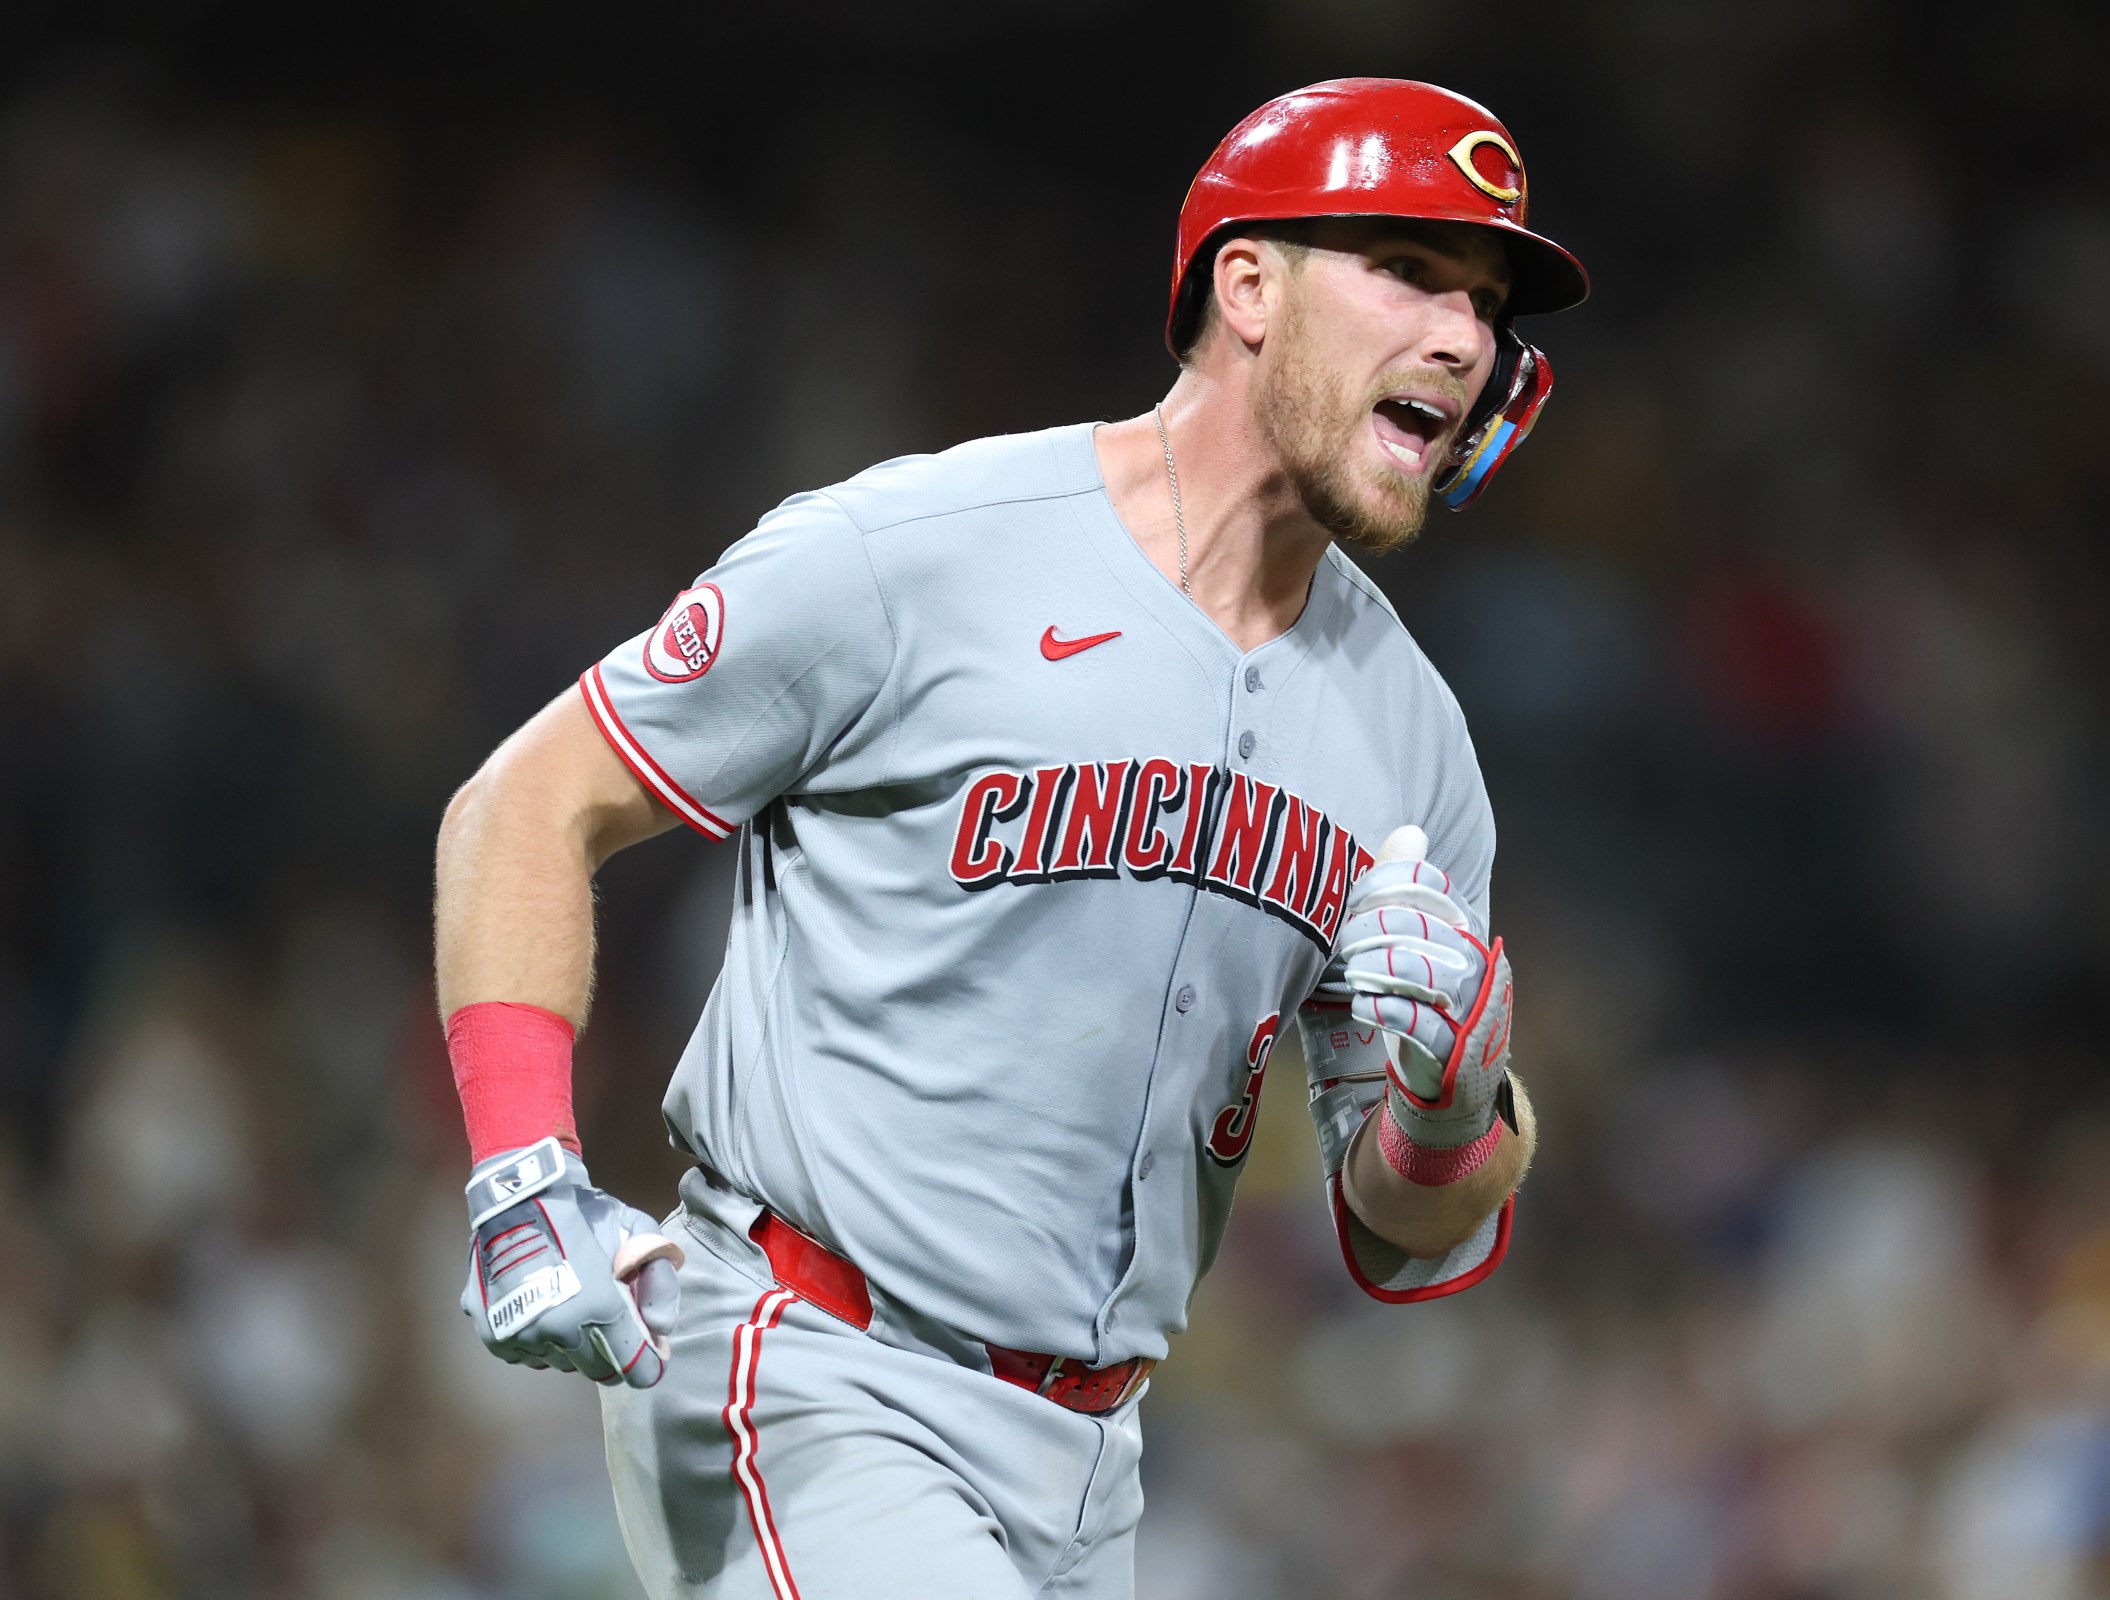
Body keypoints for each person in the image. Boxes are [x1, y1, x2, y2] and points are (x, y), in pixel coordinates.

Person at [431, 76, 1587, 1599]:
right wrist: (525, 1169)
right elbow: (529, 796)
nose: (1463, 335)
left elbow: (1401, 1234)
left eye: (1487, 301)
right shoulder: (920, 554)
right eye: (1412, 271)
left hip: (1094, 1467)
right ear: (1248, 284)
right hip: (809, 1371)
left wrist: (1452, 1115)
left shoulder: (1413, 741)